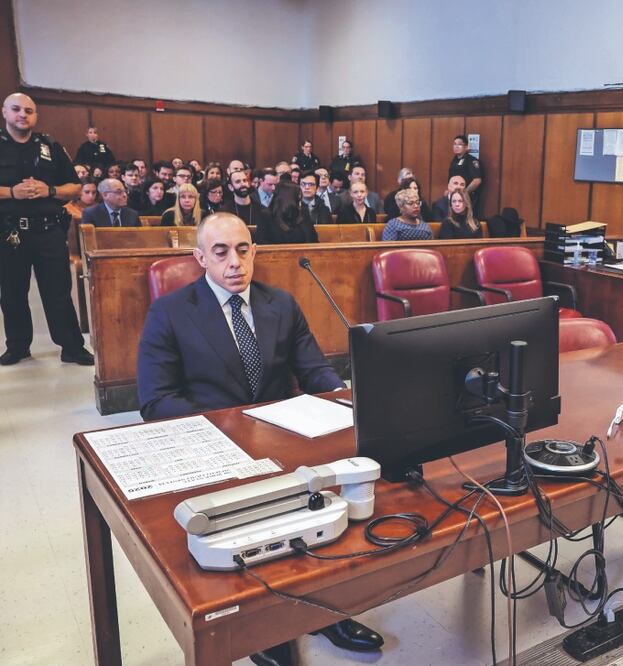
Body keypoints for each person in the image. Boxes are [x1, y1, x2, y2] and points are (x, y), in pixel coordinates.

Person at [135, 213, 384, 665]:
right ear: (199, 258)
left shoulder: (281, 303)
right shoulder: (170, 312)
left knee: (331, 517)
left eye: (243, 249)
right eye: (221, 252)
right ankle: (266, 630)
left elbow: (315, 373)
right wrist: (228, 426)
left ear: (256, 251)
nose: (235, 262)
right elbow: (156, 402)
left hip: (286, 443)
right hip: (213, 449)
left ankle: (328, 608)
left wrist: (348, 401)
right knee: (260, 536)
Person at [0, 92, 94, 366]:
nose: (23, 115)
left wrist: (49, 189)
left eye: (29, 111)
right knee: (12, 291)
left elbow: (74, 187)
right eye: (16, 109)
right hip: (10, 232)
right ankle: (17, 346)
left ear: (35, 116)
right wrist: (13, 192)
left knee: (58, 291)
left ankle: (72, 347)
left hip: (48, 231)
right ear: (5, 112)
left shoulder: (50, 146)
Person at [448, 134, 483, 213]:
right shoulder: (454, 161)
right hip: (454, 198)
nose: (456, 146)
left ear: (466, 147)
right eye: (455, 144)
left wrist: (464, 193)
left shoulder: (471, 161)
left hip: (468, 198)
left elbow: (477, 180)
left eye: (459, 144)